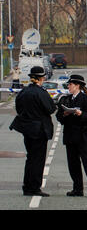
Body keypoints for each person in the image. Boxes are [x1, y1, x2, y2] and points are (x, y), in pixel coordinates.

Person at [9, 66, 56, 197]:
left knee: (30, 158)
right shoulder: (41, 93)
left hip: (26, 129)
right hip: (39, 130)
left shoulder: (23, 92)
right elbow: (51, 109)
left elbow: (18, 108)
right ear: (41, 78)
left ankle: (27, 186)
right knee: (38, 159)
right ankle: (35, 187)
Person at [56, 74, 87, 198]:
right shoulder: (65, 99)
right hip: (69, 135)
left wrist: (81, 114)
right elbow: (58, 117)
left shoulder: (86, 100)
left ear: (77, 86)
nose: (68, 86)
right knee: (72, 163)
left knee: (86, 162)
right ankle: (77, 188)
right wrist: (64, 114)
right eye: (68, 85)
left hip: (82, 134)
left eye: (70, 84)